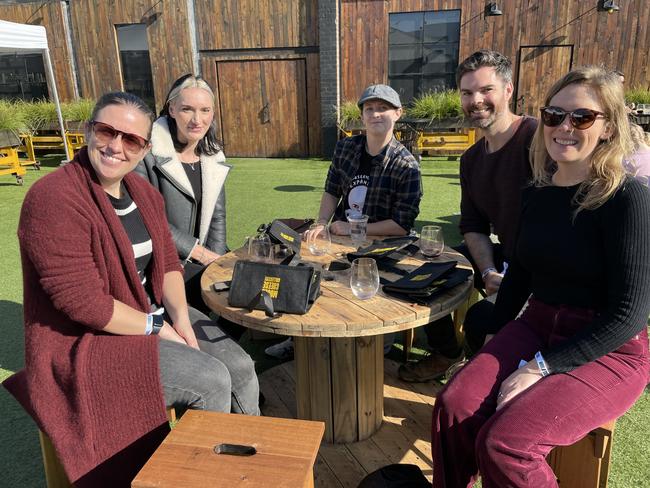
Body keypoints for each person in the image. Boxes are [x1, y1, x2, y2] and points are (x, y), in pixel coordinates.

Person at [2, 92, 259, 487]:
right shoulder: (53, 197)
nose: (116, 146)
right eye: (107, 131)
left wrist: (180, 320)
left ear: (145, 147)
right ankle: (207, 478)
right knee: (209, 378)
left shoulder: (142, 193)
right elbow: (81, 303)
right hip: (84, 340)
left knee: (240, 367)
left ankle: (251, 464)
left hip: (146, 308)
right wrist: (157, 328)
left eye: (132, 140)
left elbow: (169, 265)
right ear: (88, 131)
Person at [431, 66, 650, 487]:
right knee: (453, 404)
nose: (564, 127)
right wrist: (495, 334)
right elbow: (522, 274)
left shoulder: (627, 198)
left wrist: (541, 367)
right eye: (553, 115)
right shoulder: (537, 190)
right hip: (537, 324)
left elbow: (629, 316)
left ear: (607, 128)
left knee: (505, 443)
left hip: (610, 349)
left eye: (582, 117)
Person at [399, 50, 538, 382]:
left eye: (485, 90)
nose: (476, 100)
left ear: (508, 90)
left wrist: (518, 285)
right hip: (506, 260)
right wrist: (488, 271)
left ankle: (483, 378)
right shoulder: (472, 159)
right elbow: (473, 226)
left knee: (481, 319)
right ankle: (447, 352)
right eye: (467, 92)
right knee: (426, 271)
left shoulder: (538, 140)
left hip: (544, 269)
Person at [265, 84, 422, 359]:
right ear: (362, 116)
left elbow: (401, 225)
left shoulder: (406, 165)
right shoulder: (346, 147)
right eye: (369, 108)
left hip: (383, 245)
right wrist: (321, 222)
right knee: (305, 271)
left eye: (383, 108)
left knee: (370, 297)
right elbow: (331, 190)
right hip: (338, 236)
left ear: (398, 113)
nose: (375, 114)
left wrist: (353, 228)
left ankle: (376, 344)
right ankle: (299, 339)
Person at [135, 74, 229, 315]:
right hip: (162, 261)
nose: (197, 120)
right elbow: (148, 220)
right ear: (172, 109)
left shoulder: (213, 156)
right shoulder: (147, 155)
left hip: (200, 258)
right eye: (187, 109)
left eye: (205, 110)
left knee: (252, 280)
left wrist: (215, 260)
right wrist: (200, 254)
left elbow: (218, 216)